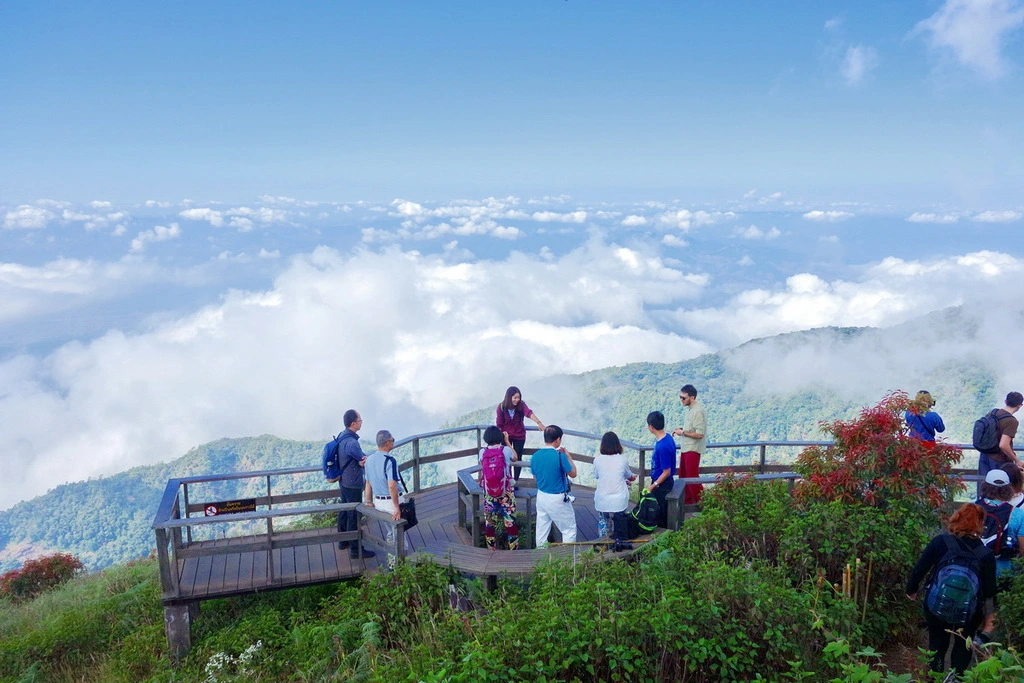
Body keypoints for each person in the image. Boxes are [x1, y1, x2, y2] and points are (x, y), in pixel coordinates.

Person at [906, 503, 996, 676]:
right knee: (963, 646)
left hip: (936, 605)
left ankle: (935, 676)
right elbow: (990, 591)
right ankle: (957, 677)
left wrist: (912, 590)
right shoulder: (986, 554)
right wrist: (988, 620)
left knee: (937, 643)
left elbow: (920, 569)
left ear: (956, 518)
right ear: (980, 524)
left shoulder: (940, 542)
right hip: (969, 612)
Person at [974, 468, 1024, 589]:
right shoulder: (1017, 514)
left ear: (985, 486)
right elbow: (1023, 549)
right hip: (1005, 571)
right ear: (1008, 489)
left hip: (974, 568)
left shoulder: (972, 508)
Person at [337, 409, 375, 559]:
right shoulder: (352, 442)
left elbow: (357, 459)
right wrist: (363, 461)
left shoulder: (342, 436)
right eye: (360, 420)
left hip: (343, 480)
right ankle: (355, 549)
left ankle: (343, 541)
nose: (361, 422)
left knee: (344, 510)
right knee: (353, 514)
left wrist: (359, 461)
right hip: (352, 482)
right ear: (353, 423)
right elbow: (362, 459)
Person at [531, 425, 577, 547]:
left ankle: (541, 560)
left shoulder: (535, 456)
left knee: (542, 530)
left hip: (541, 495)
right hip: (557, 497)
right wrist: (569, 456)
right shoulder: (559, 456)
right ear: (558, 440)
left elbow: (535, 477)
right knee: (569, 530)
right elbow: (573, 474)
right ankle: (566, 559)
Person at [363, 430, 401, 567]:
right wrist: (397, 507)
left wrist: (368, 501)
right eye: (393, 439)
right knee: (399, 534)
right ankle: (399, 567)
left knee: (391, 532)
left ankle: (393, 565)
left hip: (379, 502)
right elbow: (392, 485)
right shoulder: (390, 461)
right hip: (390, 503)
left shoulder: (369, 459)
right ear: (387, 443)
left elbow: (368, 482)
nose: (394, 441)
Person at [478, 426, 519, 550]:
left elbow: (483, 466)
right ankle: (514, 551)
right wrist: (507, 441)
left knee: (490, 522)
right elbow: (515, 458)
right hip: (506, 492)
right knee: (510, 522)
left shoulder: (482, 452)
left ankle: (492, 550)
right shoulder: (505, 450)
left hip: (489, 492)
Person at [495, 386, 545, 485]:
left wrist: (539, 423)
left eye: (518, 397)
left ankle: (515, 481)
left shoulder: (521, 405)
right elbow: (499, 424)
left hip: (519, 435)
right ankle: (507, 479)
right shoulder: (501, 407)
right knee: (506, 457)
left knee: (517, 458)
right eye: (515, 398)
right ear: (509, 397)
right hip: (505, 436)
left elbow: (529, 413)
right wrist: (500, 437)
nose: (517, 400)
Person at [593, 431, 637, 538]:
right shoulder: (622, 460)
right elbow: (629, 476)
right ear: (618, 445)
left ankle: (604, 544)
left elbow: (597, 476)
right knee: (619, 523)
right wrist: (632, 478)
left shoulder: (597, 460)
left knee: (604, 523)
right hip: (619, 501)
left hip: (602, 500)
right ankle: (618, 542)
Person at [977, 391, 1023, 487]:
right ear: (1020, 405)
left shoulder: (992, 413)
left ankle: (982, 502)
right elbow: (1003, 445)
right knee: (999, 488)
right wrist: (1016, 460)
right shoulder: (1012, 421)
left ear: (1005, 401)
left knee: (984, 485)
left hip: (985, 455)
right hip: (999, 460)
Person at [671, 384, 707, 505]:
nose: (681, 400)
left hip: (692, 449)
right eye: (680, 397)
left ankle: (701, 504)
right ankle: (686, 504)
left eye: (683, 398)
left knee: (692, 479)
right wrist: (682, 430)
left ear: (692, 397)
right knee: (684, 477)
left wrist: (683, 432)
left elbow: (700, 434)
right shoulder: (692, 410)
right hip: (686, 448)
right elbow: (692, 429)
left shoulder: (697, 411)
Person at [646, 411, 675, 528]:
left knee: (661, 514)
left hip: (662, 485)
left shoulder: (662, 446)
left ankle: (662, 536)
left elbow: (666, 471)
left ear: (651, 427)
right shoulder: (667, 438)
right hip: (661, 482)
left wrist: (653, 485)